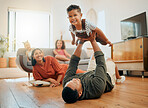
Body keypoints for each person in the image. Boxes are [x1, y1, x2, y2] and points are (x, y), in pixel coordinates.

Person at [62, 31, 114, 103]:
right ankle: (117, 78)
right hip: (107, 77)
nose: (74, 79)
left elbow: (73, 63)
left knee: (93, 56)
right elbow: (100, 63)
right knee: (109, 60)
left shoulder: (67, 84)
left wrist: (81, 42)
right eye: (75, 82)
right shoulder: (96, 88)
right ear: (80, 93)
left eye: (70, 81)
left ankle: (119, 77)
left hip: (90, 74)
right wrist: (93, 40)